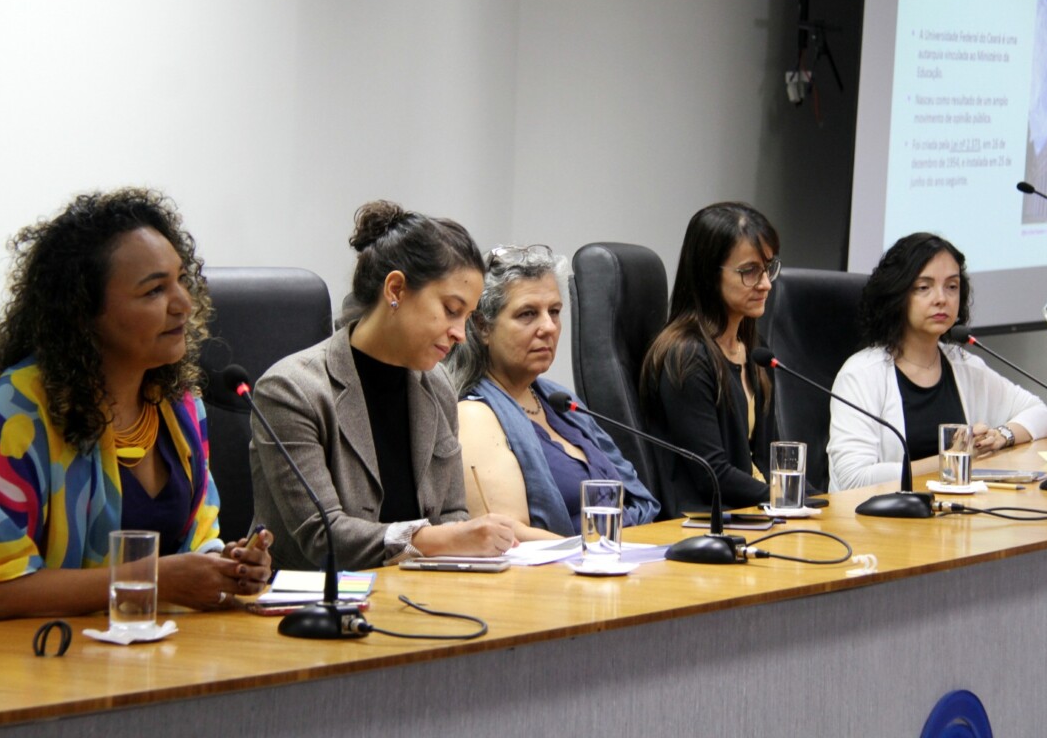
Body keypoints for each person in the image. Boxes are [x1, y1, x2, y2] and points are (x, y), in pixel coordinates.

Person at [0, 189, 273, 623]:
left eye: (181, 279)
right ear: (85, 313)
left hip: (159, 655)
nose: (183, 303)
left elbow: (196, 545)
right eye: (155, 290)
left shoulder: (179, 404)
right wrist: (156, 578)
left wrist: (228, 565)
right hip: (42, 666)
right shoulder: (16, 410)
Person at [250, 201, 530, 571]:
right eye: (450, 309)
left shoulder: (437, 385)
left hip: (417, 596)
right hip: (312, 609)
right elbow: (322, 535)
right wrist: (440, 540)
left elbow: (450, 513)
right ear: (396, 289)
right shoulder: (291, 389)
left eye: (466, 317)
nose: (460, 335)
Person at [445, 244, 659, 536]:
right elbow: (509, 538)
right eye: (528, 314)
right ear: (483, 326)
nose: (549, 327)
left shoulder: (560, 401)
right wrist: (597, 553)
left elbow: (631, 500)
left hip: (621, 561)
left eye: (555, 311)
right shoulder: (474, 415)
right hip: (556, 574)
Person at [827, 233, 1047, 491]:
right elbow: (853, 479)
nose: (942, 299)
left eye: (952, 286)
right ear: (897, 295)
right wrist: (951, 459)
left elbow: (1042, 414)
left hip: (954, 515)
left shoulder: (964, 365)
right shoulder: (862, 374)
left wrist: (1002, 436)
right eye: (924, 287)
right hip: (881, 520)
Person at [640, 202, 781, 516]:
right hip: (703, 526)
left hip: (753, 515)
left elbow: (771, 459)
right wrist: (787, 498)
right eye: (750, 271)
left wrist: (820, 501)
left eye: (768, 267)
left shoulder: (756, 350)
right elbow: (711, 474)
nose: (765, 283)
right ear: (708, 274)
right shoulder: (685, 357)